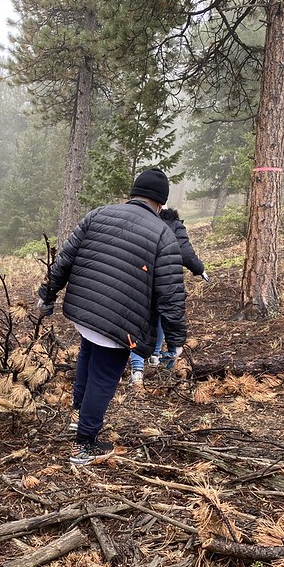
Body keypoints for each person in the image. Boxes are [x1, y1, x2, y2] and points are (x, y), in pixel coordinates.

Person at [37, 168, 187, 465]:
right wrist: (176, 339)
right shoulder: (163, 235)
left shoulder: (97, 215)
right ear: (160, 203)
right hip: (120, 321)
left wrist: (48, 295)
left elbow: (65, 259)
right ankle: (85, 444)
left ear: (134, 193)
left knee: (88, 357)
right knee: (104, 377)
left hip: (85, 310)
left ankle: (79, 415)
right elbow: (170, 294)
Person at [129, 206, 207, 388]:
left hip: (141, 280)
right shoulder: (173, 224)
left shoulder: (140, 222)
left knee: (139, 323)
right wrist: (199, 269)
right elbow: (186, 253)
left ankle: (137, 371)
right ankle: (155, 357)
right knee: (163, 316)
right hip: (167, 281)